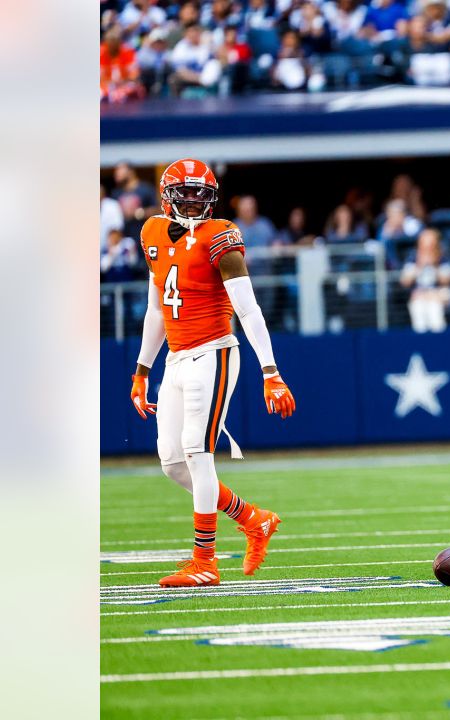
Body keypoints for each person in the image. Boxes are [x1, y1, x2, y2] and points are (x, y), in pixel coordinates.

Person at [129, 158, 296, 588]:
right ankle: (253, 519)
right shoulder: (151, 232)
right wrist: (141, 370)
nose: (192, 201)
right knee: (171, 463)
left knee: (196, 453)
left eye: (201, 193)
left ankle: (204, 561)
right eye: (184, 192)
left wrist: (270, 371)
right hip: (177, 357)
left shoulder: (221, 234)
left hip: (215, 353)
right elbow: (155, 309)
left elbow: (247, 307)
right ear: (167, 195)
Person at [399, 228, 450, 333]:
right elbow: (405, 281)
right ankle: (421, 340)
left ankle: (439, 337)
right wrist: (419, 265)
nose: (427, 246)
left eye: (430, 243)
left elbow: (447, 281)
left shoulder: (443, 258)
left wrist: (434, 265)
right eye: (424, 242)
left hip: (439, 293)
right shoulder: (412, 258)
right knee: (418, 308)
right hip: (419, 294)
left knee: (434, 308)